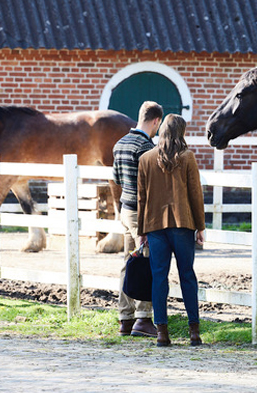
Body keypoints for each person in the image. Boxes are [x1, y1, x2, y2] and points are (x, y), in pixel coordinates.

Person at [137, 114, 206, 347]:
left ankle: (162, 334)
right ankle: (194, 333)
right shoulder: (186, 157)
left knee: (159, 278)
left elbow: (141, 199)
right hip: (183, 225)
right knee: (187, 276)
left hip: (155, 227)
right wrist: (201, 227)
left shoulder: (146, 159)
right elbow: (196, 195)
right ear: (181, 132)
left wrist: (141, 230)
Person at [112, 101, 163, 337]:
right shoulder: (145, 147)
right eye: (158, 125)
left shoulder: (120, 144)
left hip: (125, 209)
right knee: (146, 263)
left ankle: (125, 317)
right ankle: (143, 318)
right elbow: (149, 188)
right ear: (156, 121)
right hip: (141, 214)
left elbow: (117, 180)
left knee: (129, 263)